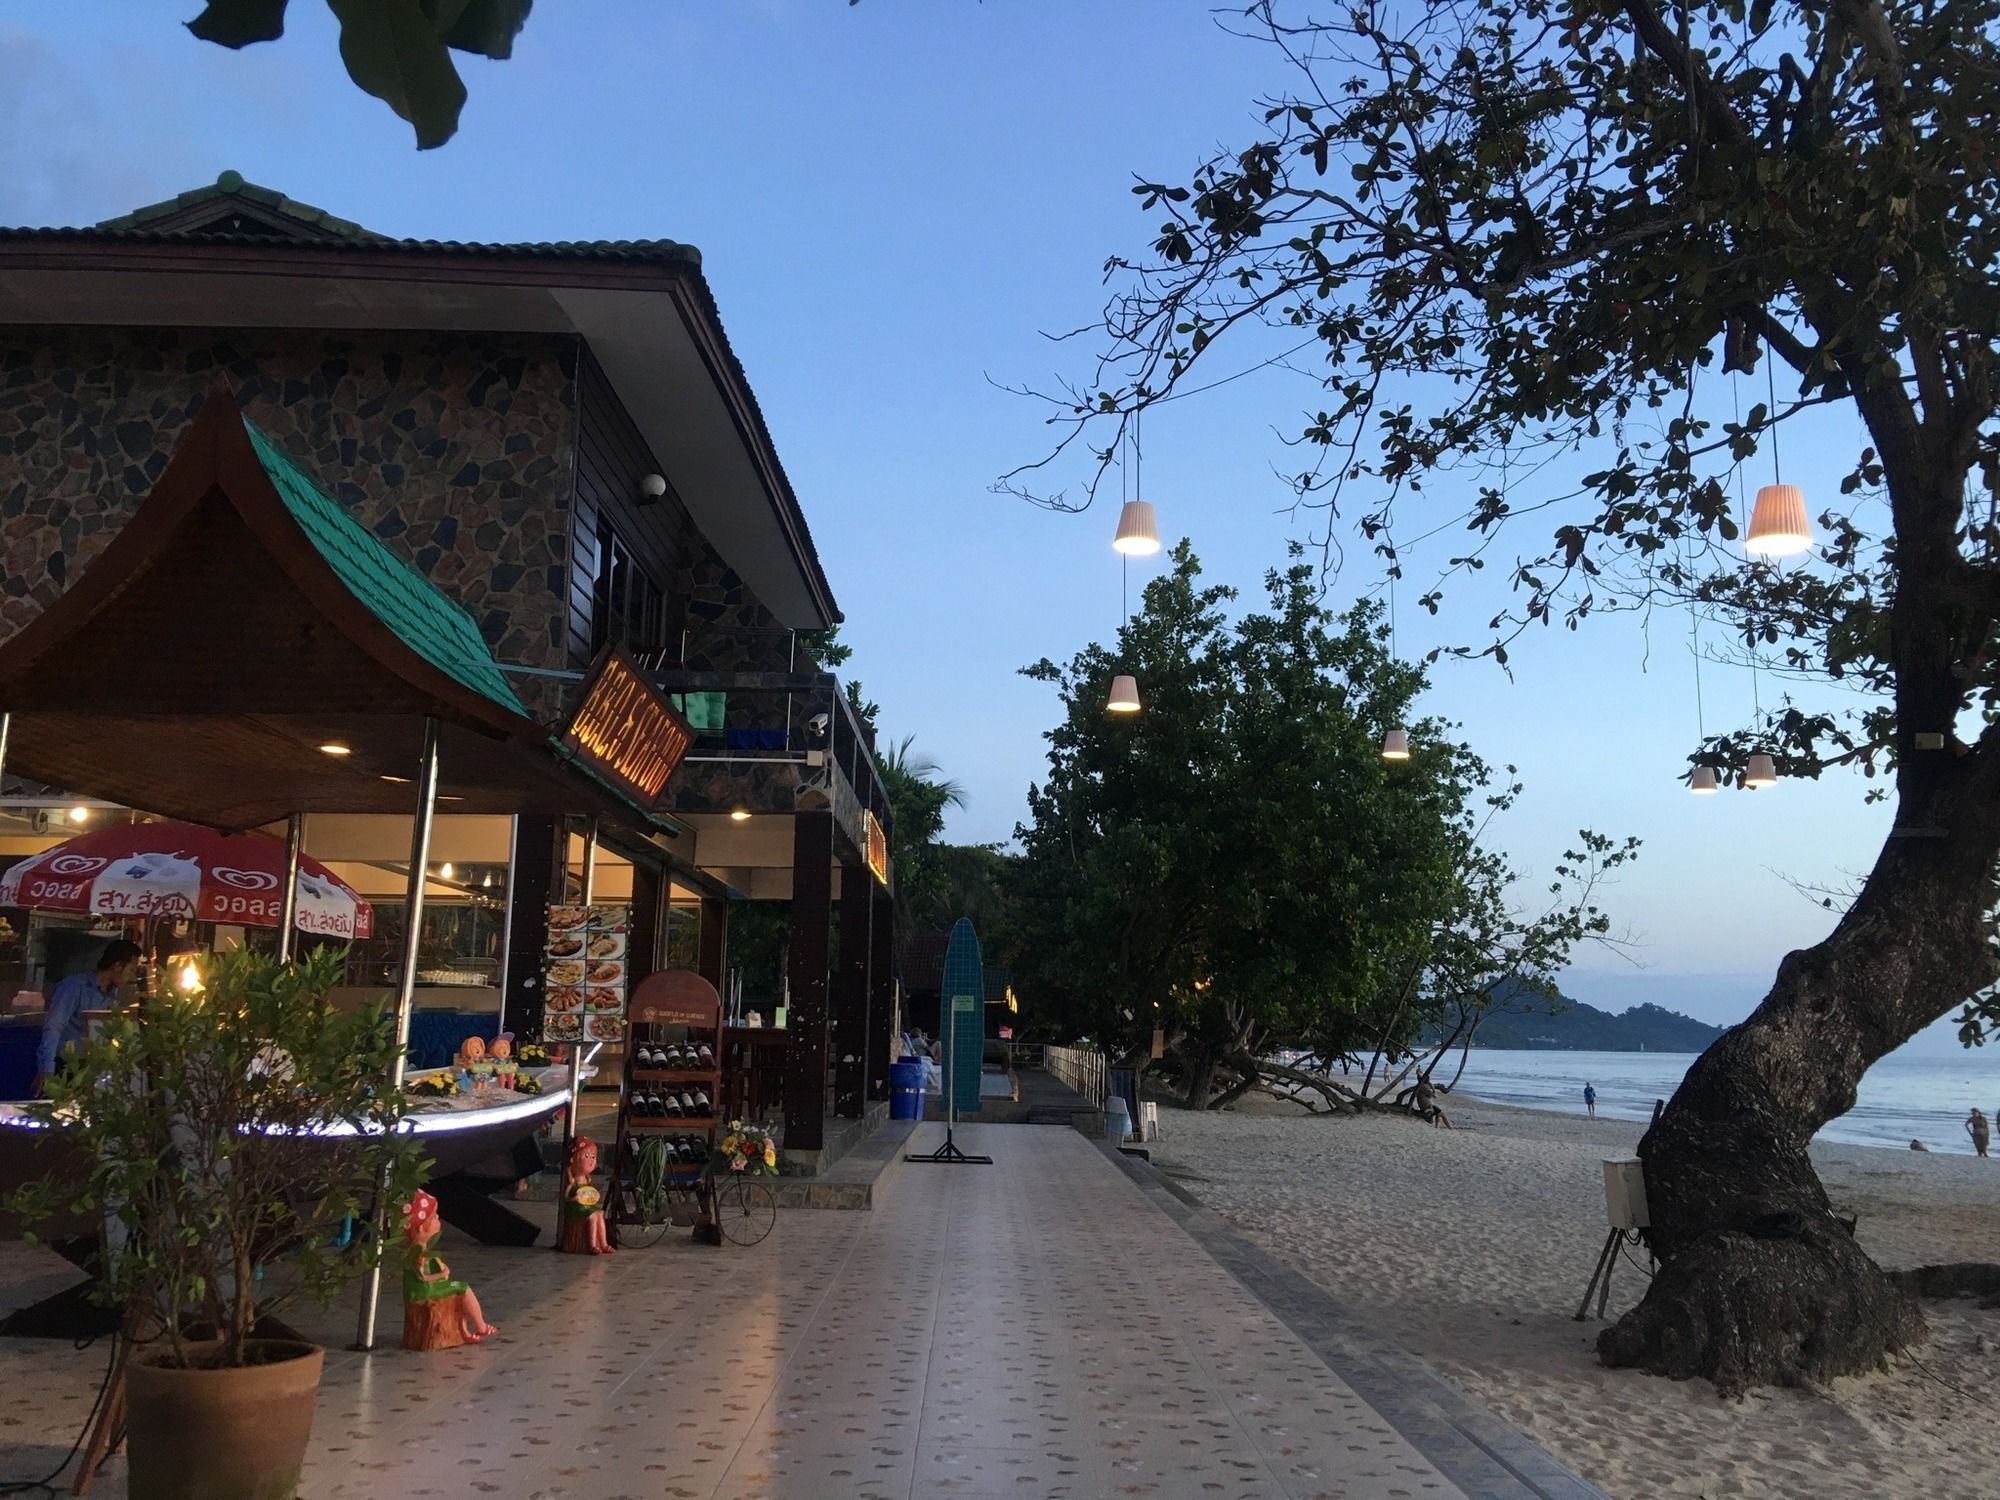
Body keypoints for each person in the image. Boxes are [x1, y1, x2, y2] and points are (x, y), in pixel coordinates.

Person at [35, 939, 142, 1095]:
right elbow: (53, 1027)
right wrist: (46, 1069)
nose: (132, 976)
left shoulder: (111, 994)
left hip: (90, 1069)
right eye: (131, 970)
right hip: (64, 1065)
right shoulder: (74, 986)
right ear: (118, 966)